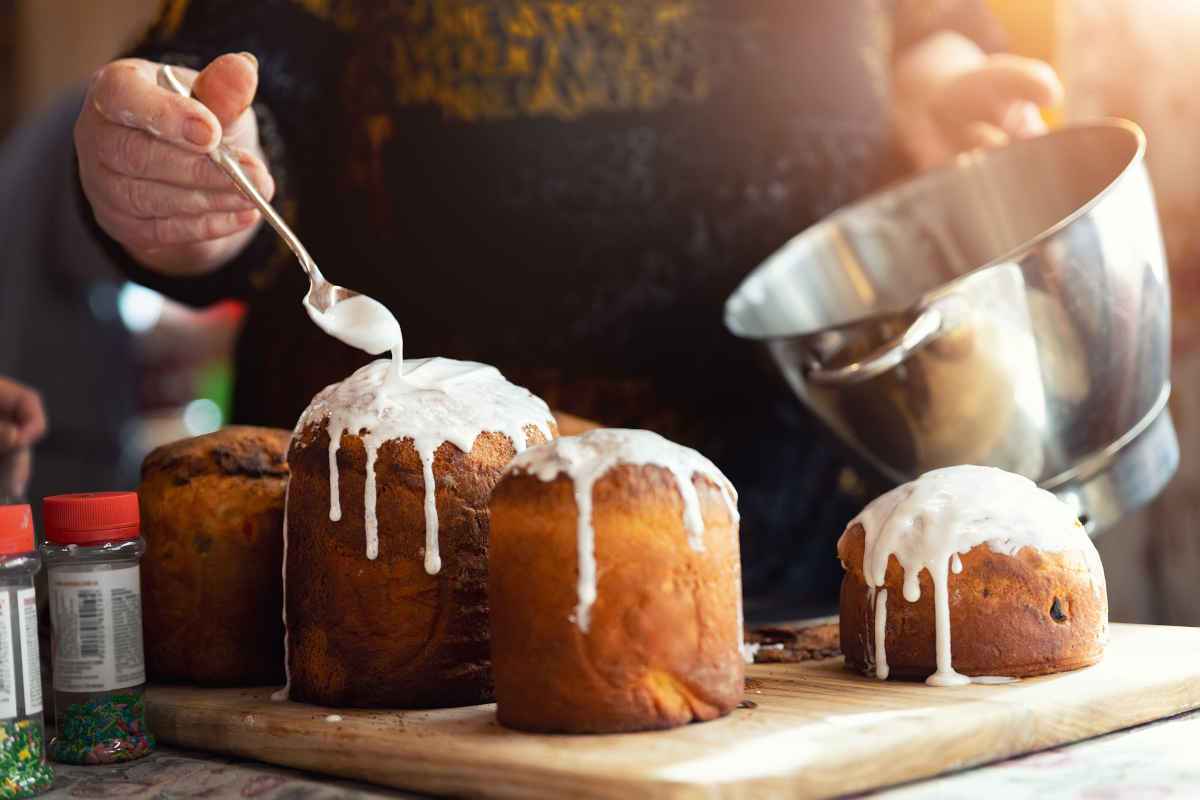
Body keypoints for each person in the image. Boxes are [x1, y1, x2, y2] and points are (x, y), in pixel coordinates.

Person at [72, 0, 1062, 619]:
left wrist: (936, 82)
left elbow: (925, 18)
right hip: (403, 577)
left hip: (804, 559)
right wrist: (187, 172)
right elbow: (244, 72)